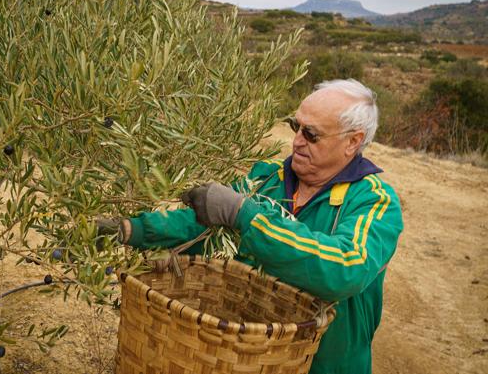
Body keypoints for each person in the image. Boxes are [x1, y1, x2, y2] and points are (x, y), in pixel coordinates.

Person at [112, 79, 404, 374]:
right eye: (296, 126)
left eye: (311, 134)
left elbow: (345, 267)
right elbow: (200, 224)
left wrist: (246, 216)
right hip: (250, 360)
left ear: (353, 141)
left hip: (325, 366)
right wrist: (130, 229)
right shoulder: (267, 178)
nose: (297, 141)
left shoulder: (373, 202)